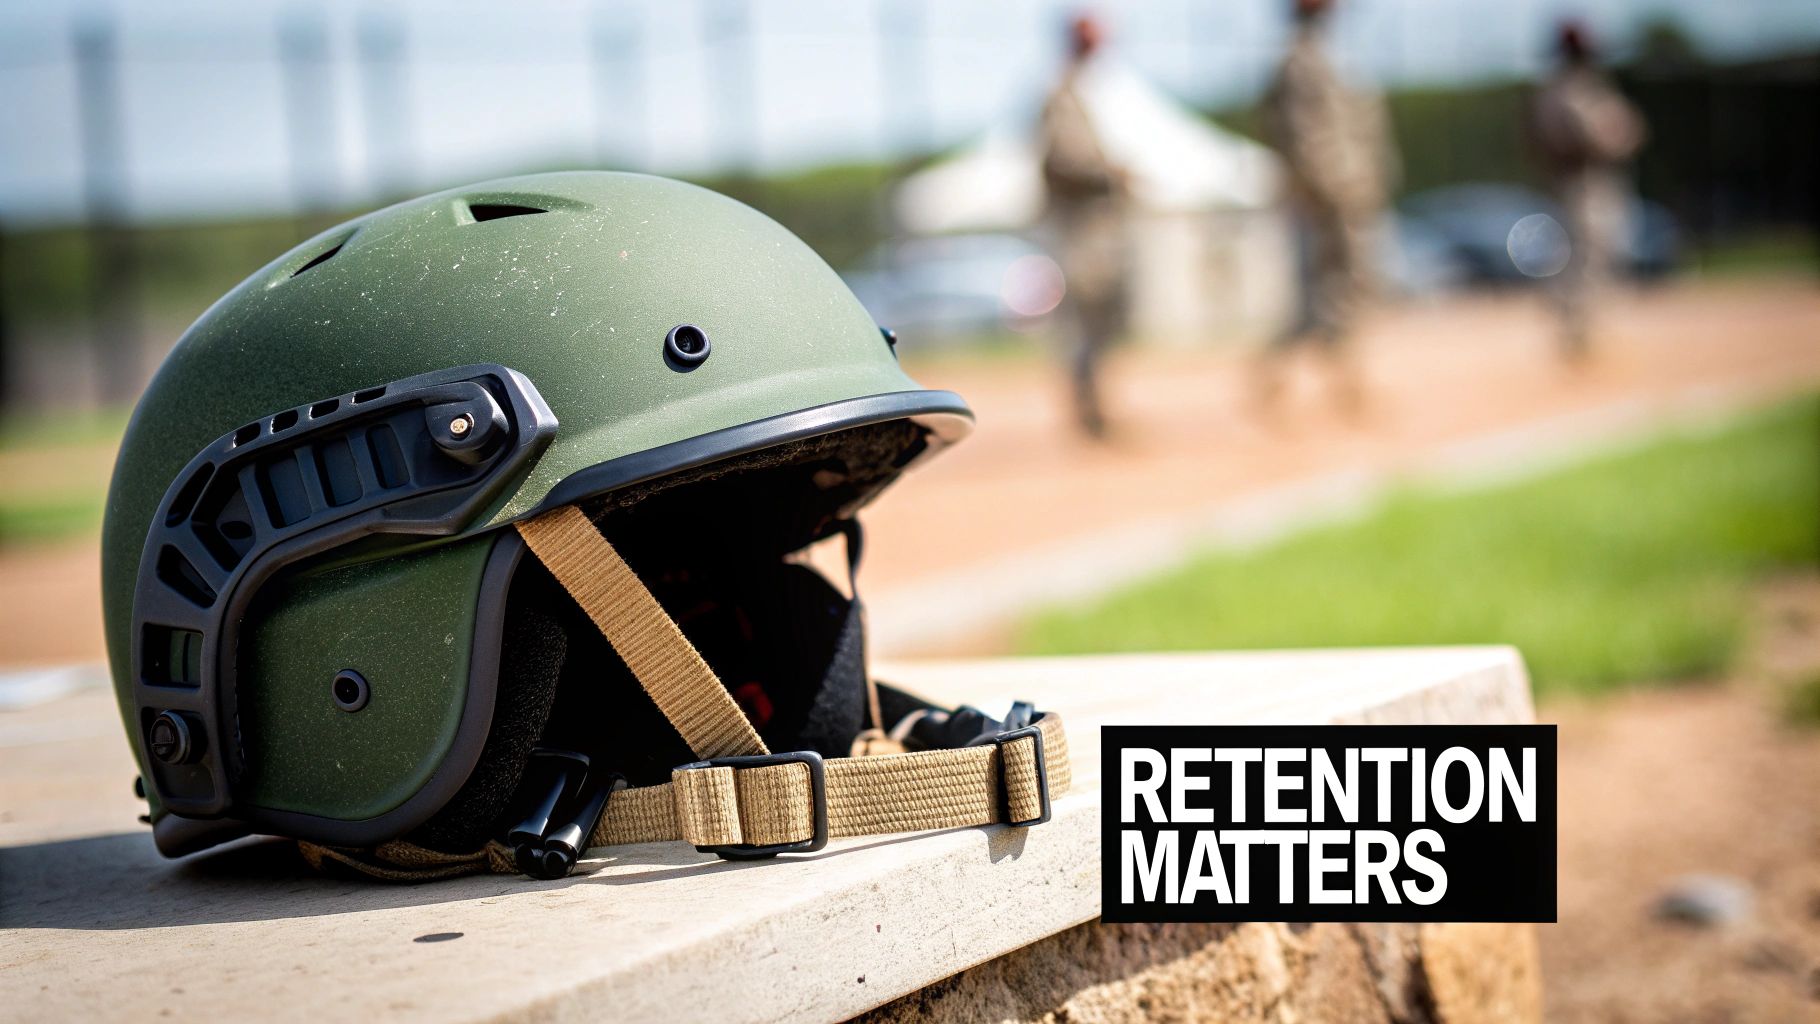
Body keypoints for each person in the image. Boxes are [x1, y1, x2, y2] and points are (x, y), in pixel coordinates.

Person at [1256, 0, 1396, 418]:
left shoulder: (1329, 56)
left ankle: (1345, 381)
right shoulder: (1300, 62)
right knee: (1327, 291)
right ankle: (1286, 373)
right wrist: (1333, 189)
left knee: (1344, 290)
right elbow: (1304, 137)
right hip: (1332, 197)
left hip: (1347, 193)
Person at [1527, 20, 1646, 361]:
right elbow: (1612, 135)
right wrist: (1616, 135)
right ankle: (1580, 333)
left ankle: (1582, 329)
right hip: (1583, 181)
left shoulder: (1556, 89)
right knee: (1588, 257)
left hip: (1573, 182)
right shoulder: (1575, 91)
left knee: (1584, 256)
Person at [1039, 13, 1131, 439]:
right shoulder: (1061, 94)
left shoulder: (1081, 92)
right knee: (1084, 322)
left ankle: (1096, 409)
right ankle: (1088, 413)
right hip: (1079, 232)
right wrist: (1112, 173)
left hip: (1092, 230)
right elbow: (1064, 159)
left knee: (1102, 320)